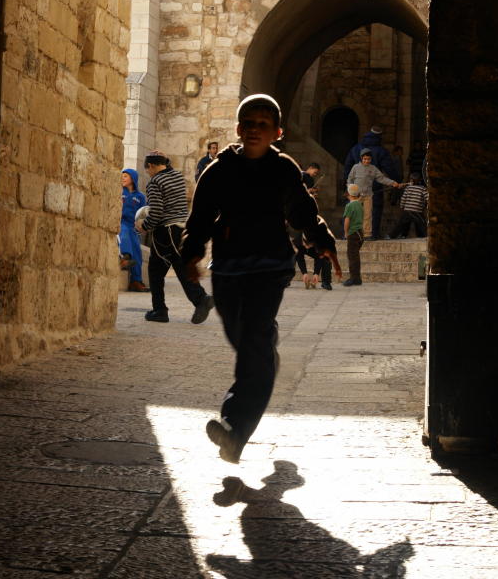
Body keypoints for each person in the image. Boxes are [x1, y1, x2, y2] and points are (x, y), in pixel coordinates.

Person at [181, 93, 341, 464]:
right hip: (228, 267)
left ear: (277, 132)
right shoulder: (217, 172)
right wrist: (191, 256)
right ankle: (266, 359)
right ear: (238, 129)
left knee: (252, 340)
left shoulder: (283, 169)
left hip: (270, 266)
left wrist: (323, 242)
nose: (254, 130)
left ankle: (235, 429)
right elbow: (200, 218)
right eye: (248, 124)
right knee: (244, 339)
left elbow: (303, 211)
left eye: (262, 125)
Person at [137, 152, 214, 324]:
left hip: (166, 232)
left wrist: (144, 225)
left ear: (150, 166)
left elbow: (156, 212)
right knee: (175, 268)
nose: (148, 173)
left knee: (158, 271)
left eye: (148, 170)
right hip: (181, 229)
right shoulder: (177, 176)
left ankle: (161, 310)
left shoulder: (155, 182)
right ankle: (198, 300)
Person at [344, 126, 397, 238]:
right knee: (373, 211)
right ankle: (371, 235)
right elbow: (389, 168)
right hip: (373, 188)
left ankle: (352, 234)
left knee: (354, 211)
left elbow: (347, 167)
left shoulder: (355, 148)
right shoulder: (381, 151)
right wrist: (396, 180)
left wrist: (349, 186)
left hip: (357, 189)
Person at [119, 168, 148, 292]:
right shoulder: (120, 191)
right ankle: (125, 258)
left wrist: (142, 226)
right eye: (122, 176)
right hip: (122, 223)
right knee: (124, 232)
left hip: (134, 226)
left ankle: (136, 281)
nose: (123, 178)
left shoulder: (140, 196)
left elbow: (143, 213)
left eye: (125, 176)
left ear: (133, 179)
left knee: (137, 248)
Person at [387, 172, 428, 238]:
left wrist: (402, 206)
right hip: (417, 211)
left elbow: (403, 198)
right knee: (422, 224)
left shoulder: (408, 188)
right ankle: (425, 236)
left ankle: (391, 236)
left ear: (411, 180)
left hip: (407, 210)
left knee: (401, 224)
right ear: (420, 180)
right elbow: (427, 197)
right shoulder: (423, 189)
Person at [342, 183, 364, 286]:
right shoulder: (359, 204)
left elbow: (347, 220)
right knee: (356, 256)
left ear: (349, 194)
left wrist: (346, 233)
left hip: (353, 233)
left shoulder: (349, 205)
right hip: (360, 233)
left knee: (352, 257)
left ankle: (353, 278)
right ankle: (357, 278)